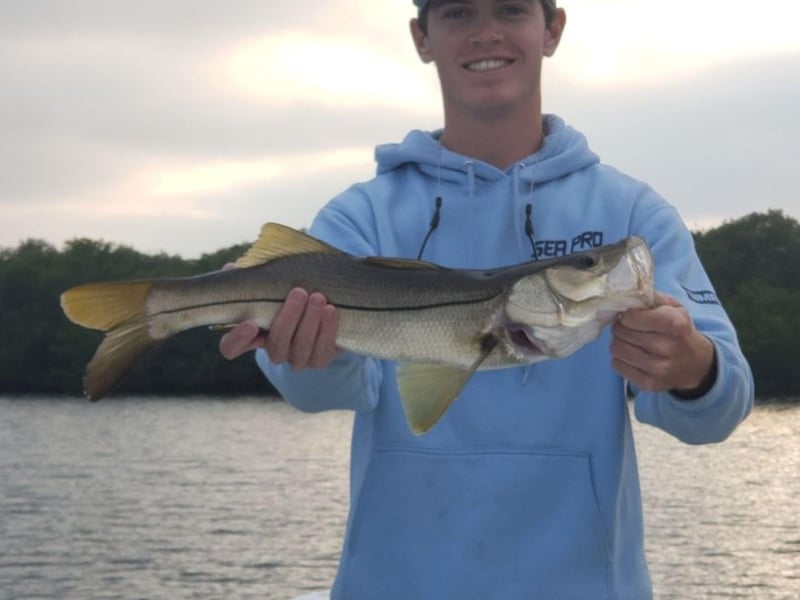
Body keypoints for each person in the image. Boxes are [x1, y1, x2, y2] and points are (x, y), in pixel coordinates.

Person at [220, 1, 754, 598]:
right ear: (422, 37)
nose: (486, 33)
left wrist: (690, 368)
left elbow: (721, 410)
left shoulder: (629, 216)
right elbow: (316, 391)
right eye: (457, 13)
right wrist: (302, 354)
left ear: (552, 29)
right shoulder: (362, 215)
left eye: (510, 8)